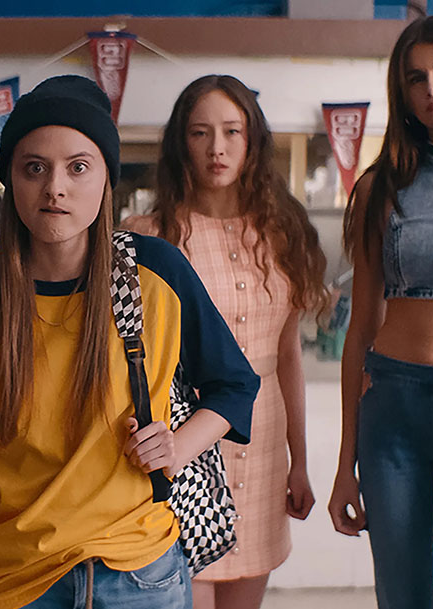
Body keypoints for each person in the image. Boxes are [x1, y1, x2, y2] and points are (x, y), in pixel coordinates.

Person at [0, 75, 258, 609]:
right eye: (34, 168)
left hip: (138, 577)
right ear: (10, 178)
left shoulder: (153, 272)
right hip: (12, 581)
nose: (55, 187)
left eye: (78, 167)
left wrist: (177, 447)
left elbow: (235, 384)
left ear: (106, 179)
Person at [123, 74, 326, 609]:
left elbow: (288, 356)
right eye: (200, 133)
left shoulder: (281, 233)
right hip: (184, 440)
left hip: (264, 442)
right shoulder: (147, 234)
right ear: (180, 143)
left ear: (252, 140)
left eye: (232, 131)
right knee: (184, 590)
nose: (217, 147)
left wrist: (299, 460)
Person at [326, 15, 433, 609]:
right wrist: (344, 463)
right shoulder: (381, 186)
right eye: (416, 77)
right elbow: (360, 328)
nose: (432, 88)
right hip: (394, 403)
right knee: (400, 591)